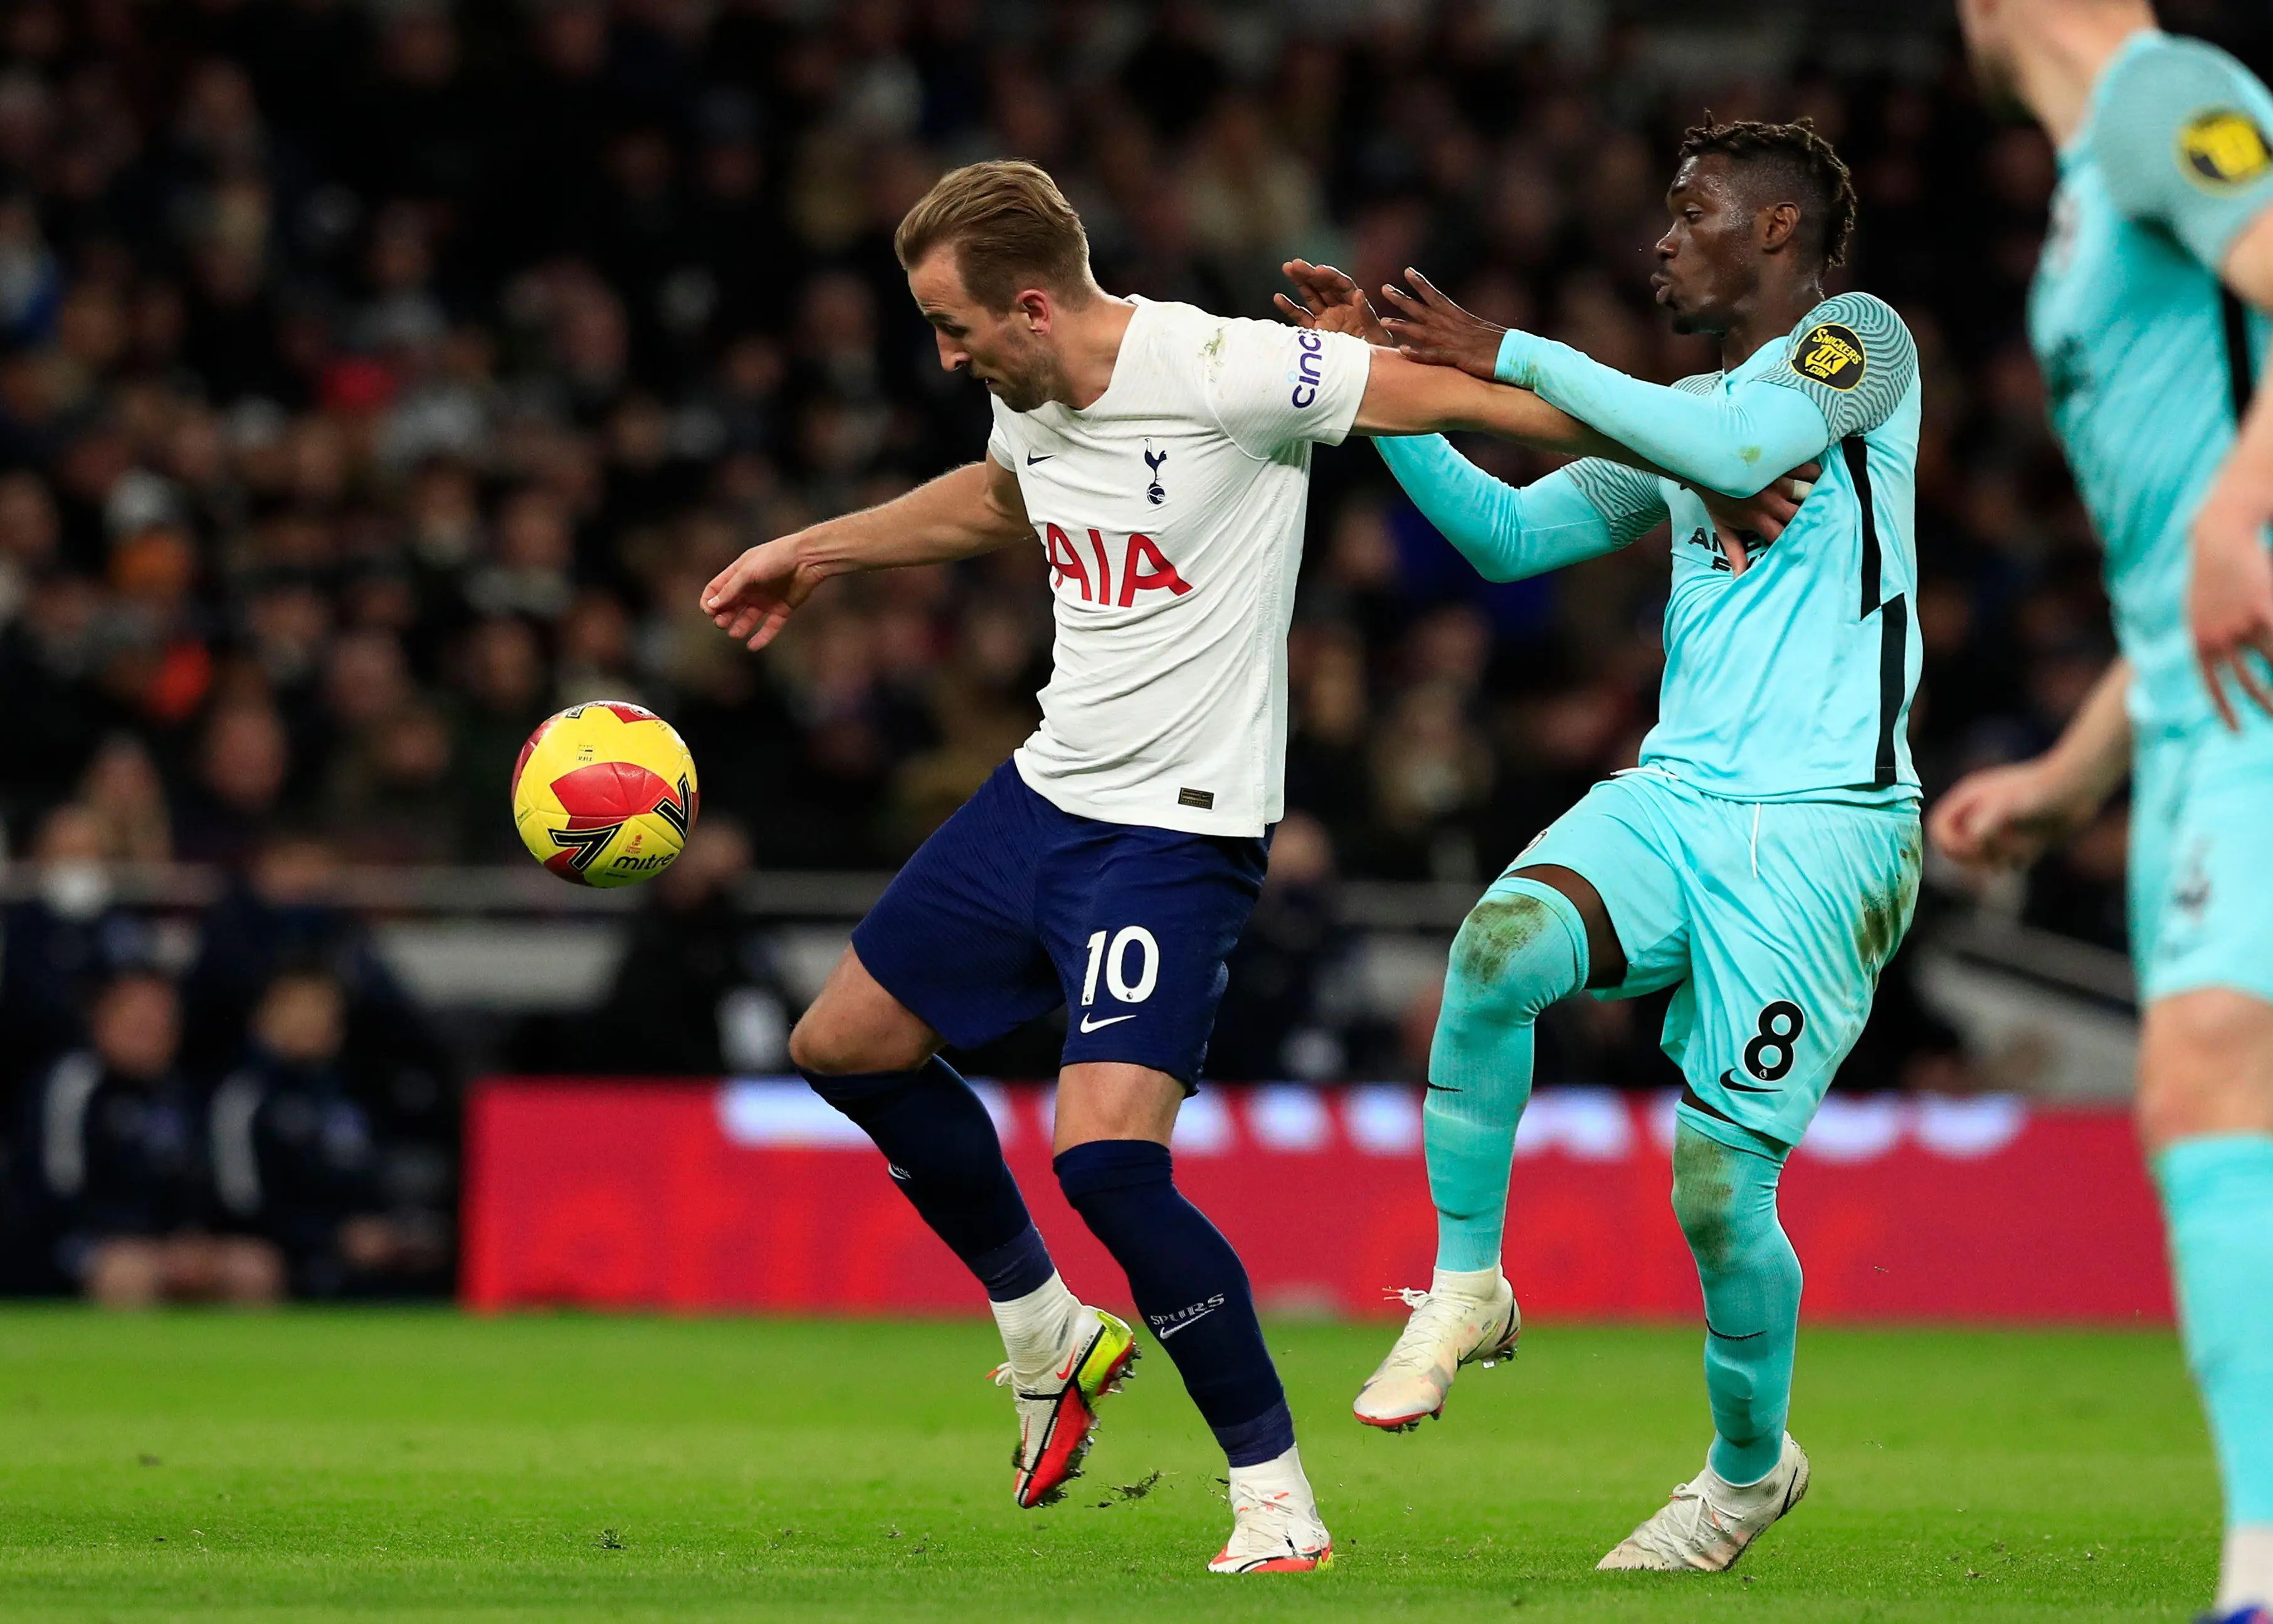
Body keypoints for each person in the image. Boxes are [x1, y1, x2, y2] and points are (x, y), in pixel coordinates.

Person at [698, 159, 1806, 1573]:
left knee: (1106, 1160)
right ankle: (1046, 1334)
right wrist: (816, 550)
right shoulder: (1028, 391)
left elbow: (1469, 400)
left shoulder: (1227, 369)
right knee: (843, 1043)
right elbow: (1002, 498)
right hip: (1044, 792)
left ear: (1034, 304)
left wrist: (1693, 456)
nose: (945, 352)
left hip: (1174, 829)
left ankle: (1275, 1499)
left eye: (955, 327)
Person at [1282, 113, 1920, 1573]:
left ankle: (1743, 1475)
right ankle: (1464, 1286)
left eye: (1688, 210)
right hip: (1677, 797)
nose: (1657, 236)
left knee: (1714, 1191)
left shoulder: (1858, 348)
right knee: (1494, 951)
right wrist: (1380, 407)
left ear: (1772, 231)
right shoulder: (1678, 416)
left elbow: (1739, 439)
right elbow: (1508, 539)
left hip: (1825, 834)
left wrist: (1501, 350)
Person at [1933, 6, 2273, 1620]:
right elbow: (2163, 602)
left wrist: (2235, 514)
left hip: (2256, 696)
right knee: (2207, 1083)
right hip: (2195, 714)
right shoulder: (2082, 197)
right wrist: (2060, 784)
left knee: (2205, 1062)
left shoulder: (2165, 100)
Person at [21, 972, 284, 1306]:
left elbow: (201, 1188)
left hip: (167, 1245)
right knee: (128, 1273)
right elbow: (57, 1195)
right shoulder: (73, 1084)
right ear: (101, 1018)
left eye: (163, 1018)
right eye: (138, 1017)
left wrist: (193, 1240)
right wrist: (149, 1244)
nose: (152, 1027)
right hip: (78, 1242)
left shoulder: (181, 1096)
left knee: (254, 1268)